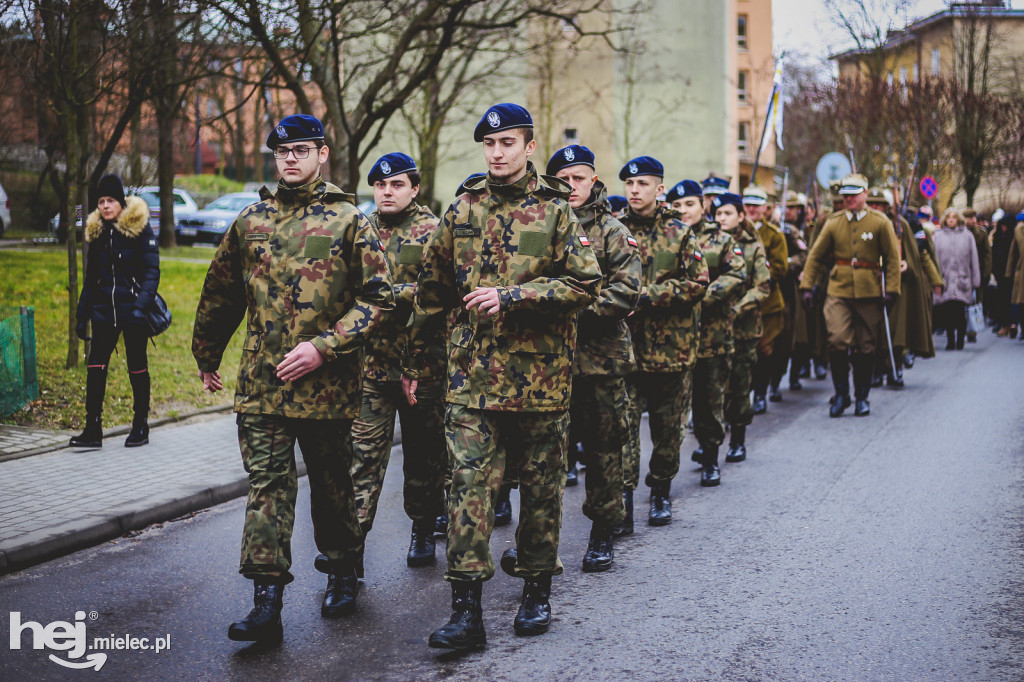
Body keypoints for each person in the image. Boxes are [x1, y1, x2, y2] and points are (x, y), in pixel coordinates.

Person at [191, 114, 395, 644]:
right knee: (267, 489)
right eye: (282, 152)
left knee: (332, 488)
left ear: (322, 154)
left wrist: (323, 347)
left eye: (302, 150)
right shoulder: (250, 220)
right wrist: (206, 352)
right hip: (262, 384)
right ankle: (266, 602)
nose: (291, 159)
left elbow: (378, 301)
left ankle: (344, 569)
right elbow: (221, 292)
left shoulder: (351, 220)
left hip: (328, 387)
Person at [405, 103, 602, 650]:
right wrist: (415, 363)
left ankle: (536, 588)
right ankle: (466, 611)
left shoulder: (557, 212)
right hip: (471, 383)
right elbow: (433, 292)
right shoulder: (462, 209)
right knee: (467, 492)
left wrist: (515, 296)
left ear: (529, 146)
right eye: (490, 145)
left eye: (508, 143)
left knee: (540, 491)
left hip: (541, 383)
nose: (497, 153)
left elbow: (585, 286)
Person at [347, 152, 447, 571]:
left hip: (422, 366)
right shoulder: (359, 230)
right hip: (369, 366)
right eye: (381, 185)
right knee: (362, 458)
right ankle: (348, 558)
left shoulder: (433, 232)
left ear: (414, 189)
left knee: (424, 455)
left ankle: (423, 525)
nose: (387, 192)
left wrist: (387, 295)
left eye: (397, 185)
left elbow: (439, 297)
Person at [548, 144, 641, 571]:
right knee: (546, 456)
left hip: (601, 361)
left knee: (604, 449)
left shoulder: (613, 230)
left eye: (579, 178)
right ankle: (540, 544)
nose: (571, 187)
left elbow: (626, 291)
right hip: (547, 364)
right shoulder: (541, 224)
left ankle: (603, 530)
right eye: (563, 179)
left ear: (593, 180)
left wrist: (568, 309)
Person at [624, 172, 708, 526]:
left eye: (642, 184)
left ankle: (660, 490)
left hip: (672, 349)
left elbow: (698, 283)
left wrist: (648, 296)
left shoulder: (680, 232)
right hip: (624, 350)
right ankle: (623, 501)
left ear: (659, 190)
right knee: (622, 430)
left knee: (667, 427)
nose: (633, 190)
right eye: (628, 183)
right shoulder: (615, 230)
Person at [800, 173, 900, 418]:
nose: (849, 198)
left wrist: (893, 290)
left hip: (869, 291)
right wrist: (806, 286)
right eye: (846, 194)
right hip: (839, 289)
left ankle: (862, 397)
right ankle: (841, 393)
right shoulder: (833, 222)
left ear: (865, 193)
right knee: (836, 339)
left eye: (854, 193)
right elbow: (815, 256)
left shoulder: (880, 222)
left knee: (866, 345)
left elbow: (892, 259)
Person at [71, 173, 159, 449]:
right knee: (95, 368)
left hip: (133, 311)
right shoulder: (97, 234)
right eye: (101, 201)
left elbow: (151, 273)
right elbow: (91, 277)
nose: (106, 206)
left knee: (137, 368)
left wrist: (140, 309)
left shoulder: (138, 228)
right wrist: (81, 314)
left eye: (110, 200)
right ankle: (92, 430)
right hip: (103, 313)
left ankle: (140, 425)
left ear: (120, 202)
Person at [689, 192, 746, 486]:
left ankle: (711, 456)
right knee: (672, 408)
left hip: (712, 336)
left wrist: (699, 297)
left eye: (689, 204)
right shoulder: (671, 236)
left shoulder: (721, 241)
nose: (683, 210)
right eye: (677, 205)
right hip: (668, 341)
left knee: (709, 399)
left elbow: (737, 275)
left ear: (703, 208)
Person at [716, 194, 769, 464]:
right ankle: (711, 442)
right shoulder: (707, 242)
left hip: (744, 329)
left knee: (738, 386)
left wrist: (738, 307)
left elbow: (763, 287)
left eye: (727, 213)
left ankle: (737, 439)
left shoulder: (753, 246)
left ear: (740, 216)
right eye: (718, 213)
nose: (721, 218)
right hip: (713, 329)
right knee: (713, 387)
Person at [742, 186, 788, 415]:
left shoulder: (774, 235)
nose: (751, 209)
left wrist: (758, 270)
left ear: (765, 209)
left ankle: (760, 393)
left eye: (755, 205)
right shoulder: (733, 232)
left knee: (764, 349)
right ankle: (744, 394)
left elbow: (780, 269)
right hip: (740, 301)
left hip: (767, 303)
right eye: (747, 204)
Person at [932, 207, 980, 351]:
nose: (951, 219)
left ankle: (960, 339)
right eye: (948, 217)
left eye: (954, 216)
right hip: (945, 280)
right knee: (948, 312)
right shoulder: (938, 237)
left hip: (962, 280)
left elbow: (974, 259)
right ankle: (950, 340)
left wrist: (975, 280)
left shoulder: (967, 236)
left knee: (960, 312)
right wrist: (935, 280)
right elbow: (933, 260)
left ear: (958, 219)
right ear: (945, 219)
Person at [962, 208, 990, 342]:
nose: (973, 220)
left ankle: (972, 330)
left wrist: (986, 273)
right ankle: (961, 327)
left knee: (976, 302)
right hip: (962, 272)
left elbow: (987, 255)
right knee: (962, 301)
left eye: (974, 217)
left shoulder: (982, 234)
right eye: (970, 218)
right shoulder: (960, 233)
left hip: (977, 272)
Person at [991, 214, 1017, 337]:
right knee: (1003, 300)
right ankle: (1005, 324)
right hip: (1001, 274)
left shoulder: (1013, 236)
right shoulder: (998, 236)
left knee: (1013, 301)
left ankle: (1012, 324)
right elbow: (994, 255)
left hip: (1013, 273)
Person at [1006, 213, 1024, 340]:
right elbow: (1013, 253)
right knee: (1021, 303)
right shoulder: (1018, 232)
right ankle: (1022, 328)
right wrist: (1009, 272)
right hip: (1021, 272)